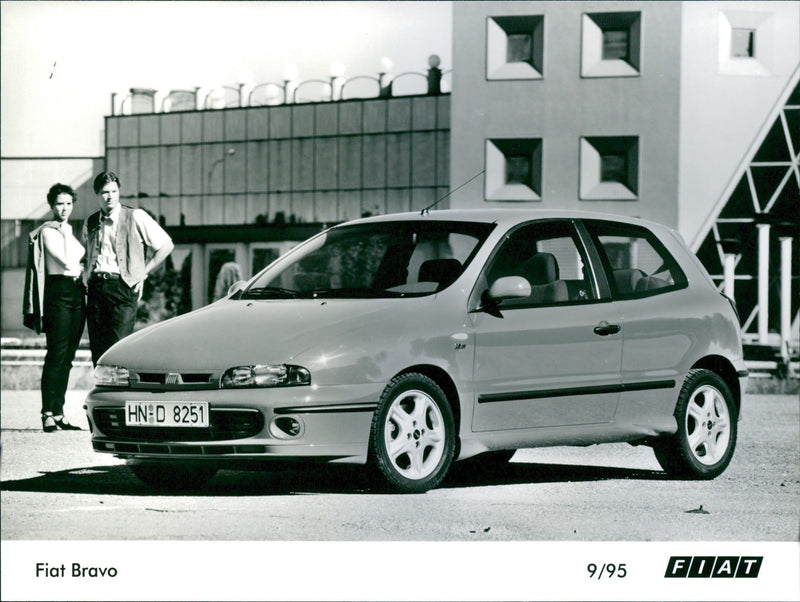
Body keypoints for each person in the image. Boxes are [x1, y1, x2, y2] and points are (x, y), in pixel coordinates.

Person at [82, 172, 173, 365]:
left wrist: (143, 273)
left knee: (118, 349)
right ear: (97, 194)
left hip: (123, 287)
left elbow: (166, 245)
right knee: (98, 353)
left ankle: (120, 394)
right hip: (96, 289)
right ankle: (102, 394)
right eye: (105, 192)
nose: (110, 196)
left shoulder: (136, 216)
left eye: (114, 191)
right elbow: (87, 257)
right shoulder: (90, 222)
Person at [23, 184, 86, 432]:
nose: (65, 208)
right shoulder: (48, 231)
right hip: (57, 292)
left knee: (68, 357)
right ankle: (46, 412)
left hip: (76, 291)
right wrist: (72, 241)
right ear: (52, 206)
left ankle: (59, 413)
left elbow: (77, 261)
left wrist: (69, 234)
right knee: (56, 354)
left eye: (69, 203)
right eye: (60, 203)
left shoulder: (68, 229)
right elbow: (69, 259)